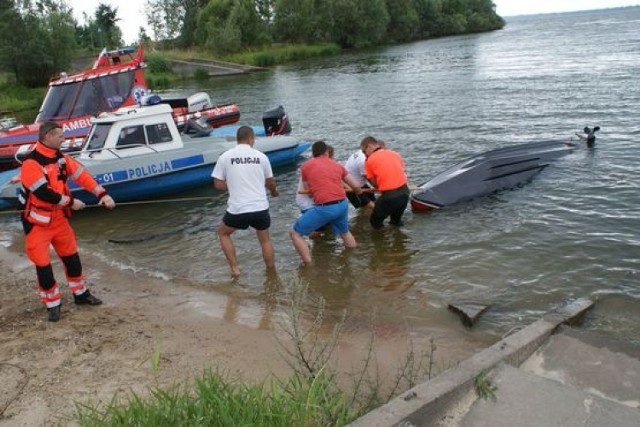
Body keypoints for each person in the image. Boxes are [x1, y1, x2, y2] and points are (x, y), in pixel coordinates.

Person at [19, 121, 116, 322]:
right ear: (47, 137)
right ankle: (53, 305)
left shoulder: (61, 158)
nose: (64, 138)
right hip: (38, 224)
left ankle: (81, 294)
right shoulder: (31, 163)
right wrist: (71, 202)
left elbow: (82, 176)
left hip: (59, 221)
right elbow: (43, 193)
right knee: (43, 266)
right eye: (60, 135)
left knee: (72, 259)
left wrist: (102, 194)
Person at [212, 126, 278, 278]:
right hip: (260, 208)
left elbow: (217, 183)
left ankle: (235, 269)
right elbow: (270, 181)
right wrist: (274, 192)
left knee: (223, 234)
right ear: (251, 138)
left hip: (238, 209)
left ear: (237, 139)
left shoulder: (226, 156)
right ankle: (271, 272)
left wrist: (234, 186)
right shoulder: (261, 156)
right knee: (265, 240)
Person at [290, 140, 363, 265]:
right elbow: (355, 186)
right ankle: (353, 258)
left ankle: (308, 265)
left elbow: (308, 188)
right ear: (327, 152)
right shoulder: (337, 165)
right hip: (342, 205)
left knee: (295, 233)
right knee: (345, 233)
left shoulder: (306, 166)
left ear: (313, 153)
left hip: (325, 207)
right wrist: (358, 191)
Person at [361, 136, 410, 229]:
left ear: (369, 146)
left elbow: (375, 184)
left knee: (375, 222)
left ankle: (382, 241)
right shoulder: (394, 153)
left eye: (364, 151)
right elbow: (400, 170)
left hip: (390, 196)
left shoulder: (369, 160)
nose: (364, 154)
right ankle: (400, 239)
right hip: (405, 192)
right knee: (396, 222)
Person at [344, 143, 381, 210]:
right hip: (351, 187)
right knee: (370, 209)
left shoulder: (361, 152)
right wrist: (381, 189)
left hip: (359, 183)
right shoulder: (363, 160)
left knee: (373, 206)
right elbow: (369, 178)